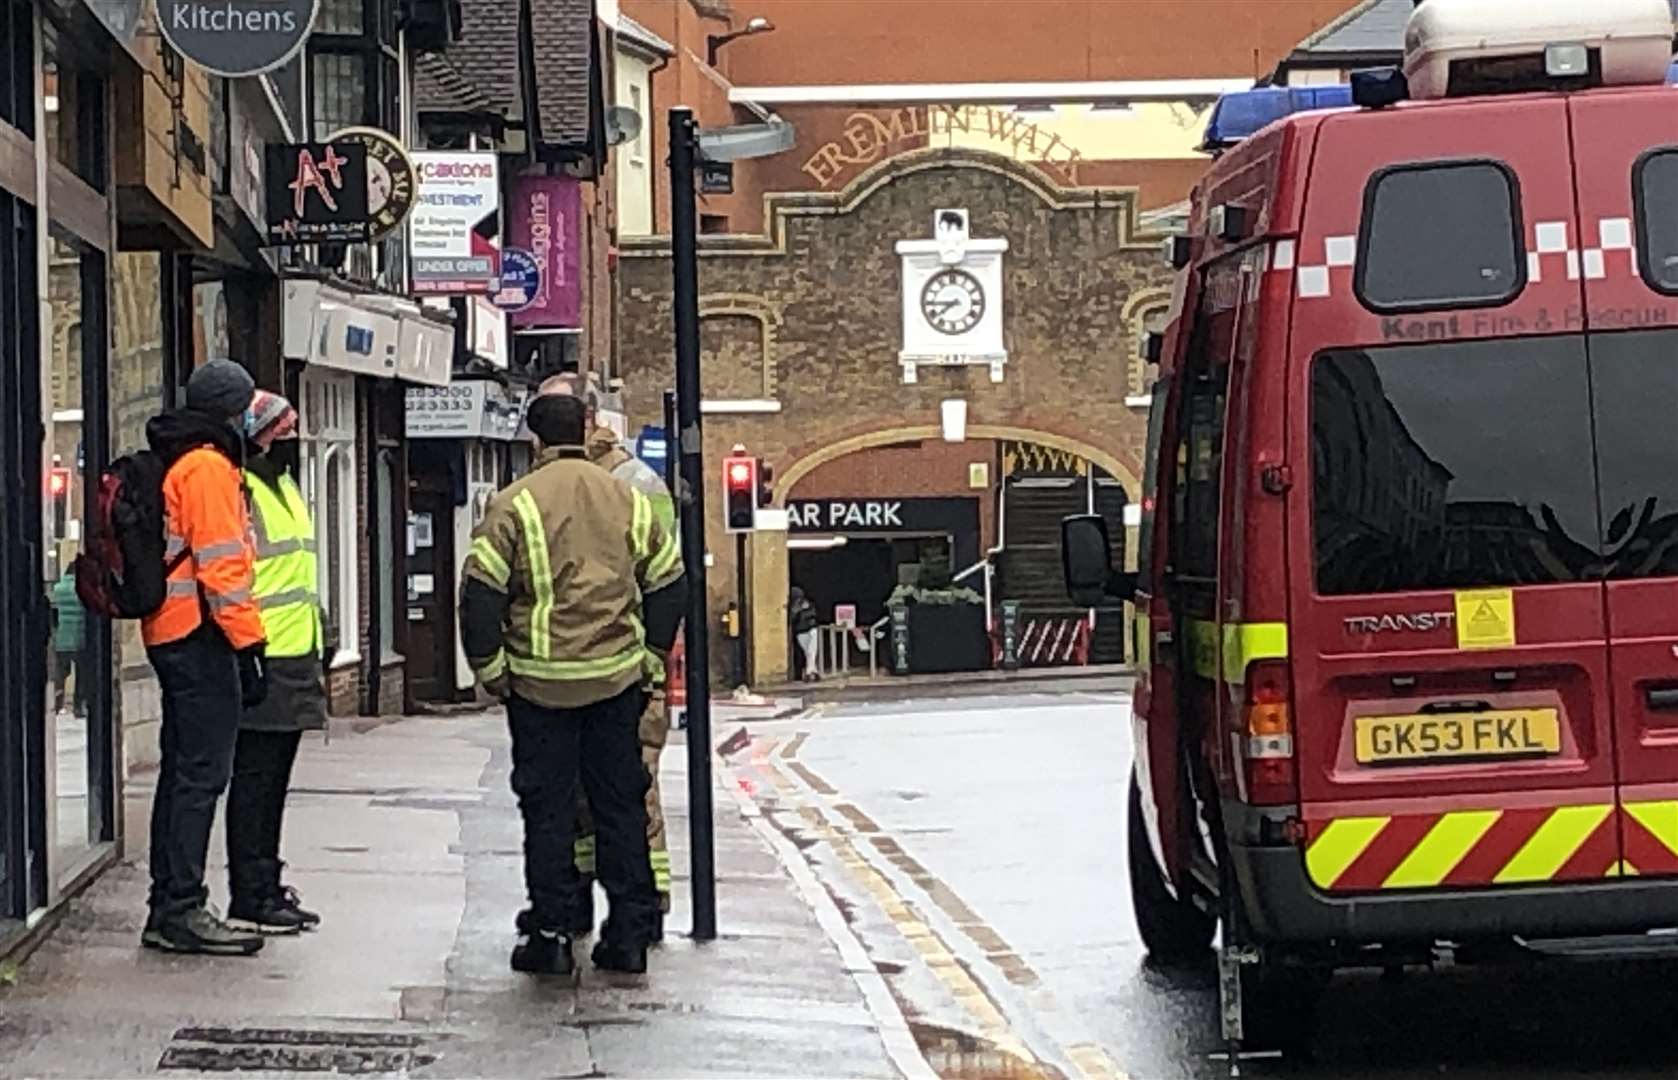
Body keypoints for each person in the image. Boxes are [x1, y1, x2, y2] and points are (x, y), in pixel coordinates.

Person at [460, 393, 686, 977]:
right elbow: (669, 584)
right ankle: (629, 935)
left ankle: (553, 931)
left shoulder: (514, 505)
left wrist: (491, 671)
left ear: (534, 439)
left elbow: (480, 595)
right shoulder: (627, 499)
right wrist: (652, 659)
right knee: (620, 805)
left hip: (539, 688)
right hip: (616, 682)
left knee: (549, 810)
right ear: (587, 431)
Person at [537, 372, 679, 938]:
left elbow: (662, 583)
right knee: (582, 799)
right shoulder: (572, 481)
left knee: (629, 790)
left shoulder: (630, 485)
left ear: (587, 420)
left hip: (622, 672)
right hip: (580, 668)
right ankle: (591, 907)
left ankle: (644, 906)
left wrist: (647, 661)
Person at [140, 359, 269, 956]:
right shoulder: (209, 469)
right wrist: (250, 645)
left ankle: (170, 902)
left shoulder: (182, 459)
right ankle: (182, 907)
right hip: (200, 636)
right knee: (200, 776)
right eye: (245, 405)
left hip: (174, 631)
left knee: (181, 772)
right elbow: (223, 568)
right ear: (229, 410)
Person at [224, 390, 326, 936]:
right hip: (262, 656)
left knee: (272, 783)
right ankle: (253, 891)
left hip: (294, 654)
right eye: (279, 431)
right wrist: (248, 651)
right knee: (257, 785)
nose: (289, 439)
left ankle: (265, 882)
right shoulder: (244, 491)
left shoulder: (282, 485)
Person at [51, 563, 87, 716]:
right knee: (81, 675)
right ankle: (79, 706)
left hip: (61, 639)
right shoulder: (83, 590)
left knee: (60, 673)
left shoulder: (57, 589)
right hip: (79, 638)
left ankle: (56, 705)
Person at [790, 586, 820, 681]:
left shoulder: (809, 604)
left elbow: (814, 614)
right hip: (801, 631)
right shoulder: (793, 608)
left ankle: (809, 672)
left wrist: (804, 611)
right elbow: (792, 620)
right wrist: (796, 612)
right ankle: (813, 671)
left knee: (812, 650)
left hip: (811, 629)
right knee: (808, 652)